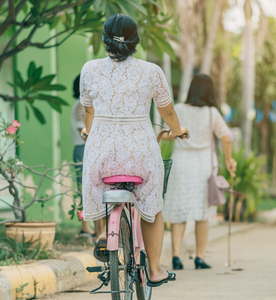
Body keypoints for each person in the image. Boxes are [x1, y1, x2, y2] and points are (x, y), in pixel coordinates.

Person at [79, 14, 189, 286]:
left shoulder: (89, 69)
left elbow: (88, 111)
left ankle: (105, 231)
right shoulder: (151, 71)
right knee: (152, 204)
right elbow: (168, 111)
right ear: (135, 39)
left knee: (100, 188)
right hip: (140, 150)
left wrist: (90, 132)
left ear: (105, 39)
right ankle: (154, 269)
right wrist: (176, 130)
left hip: (101, 150)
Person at [162, 74, 237, 270]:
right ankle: (199, 256)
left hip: (181, 163)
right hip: (203, 164)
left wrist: (179, 133)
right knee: (202, 213)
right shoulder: (212, 113)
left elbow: (168, 136)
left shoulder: (178, 109)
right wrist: (229, 161)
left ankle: (176, 256)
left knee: (179, 211)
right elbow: (226, 138)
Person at [70, 75, 104, 239]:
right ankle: (85, 226)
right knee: (84, 188)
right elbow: (82, 130)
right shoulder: (80, 106)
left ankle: (87, 227)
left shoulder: (83, 104)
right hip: (83, 149)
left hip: (85, 148)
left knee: (87, 188)